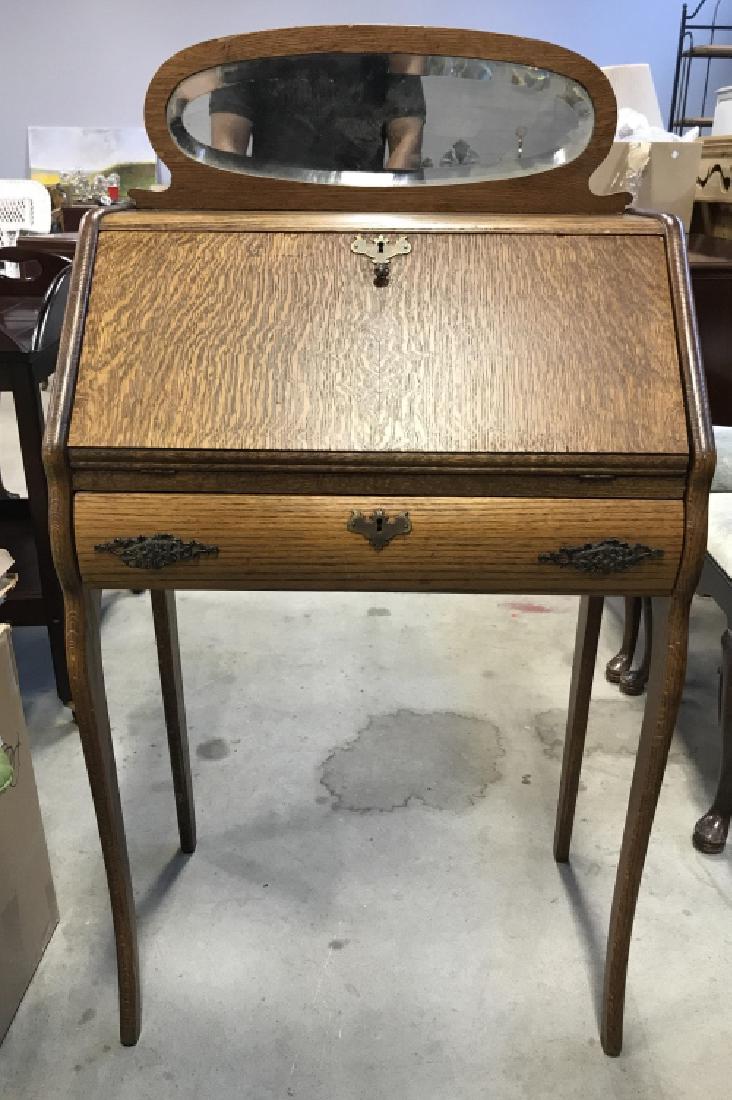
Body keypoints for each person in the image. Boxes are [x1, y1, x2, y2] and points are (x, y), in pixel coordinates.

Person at [208, 53, 425, 173]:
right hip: (272, 205)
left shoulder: (380, 27)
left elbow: (407, 141)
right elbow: (226, 149)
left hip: (361, 209)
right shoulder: (258, 33)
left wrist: (383, 216)